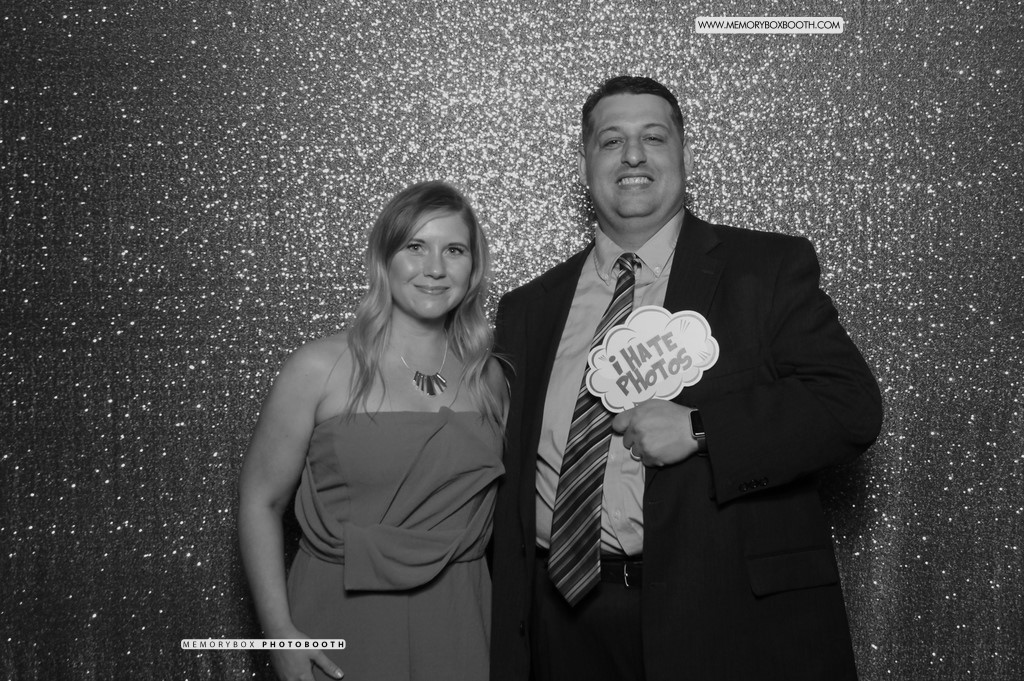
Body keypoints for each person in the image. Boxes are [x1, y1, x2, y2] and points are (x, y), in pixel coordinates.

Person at [489, 76, 883, 681]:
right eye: (611, 141)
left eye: (653, 137)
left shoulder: (765, 270)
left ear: (684, 155)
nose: (633, 156)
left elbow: (849, 406)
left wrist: (702, 429)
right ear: (585, 164)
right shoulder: (528, 308)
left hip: (725, 619)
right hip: (563, 624)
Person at [239, 181, 506, 681]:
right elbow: (261, 501)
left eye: (454, 250)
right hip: (340, 619)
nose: (434, 268)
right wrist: (279, 636)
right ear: (384, 259)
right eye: (415, 247)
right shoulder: (319, 367)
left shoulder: (488, 378)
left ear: (473, 268)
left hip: (459, 621)